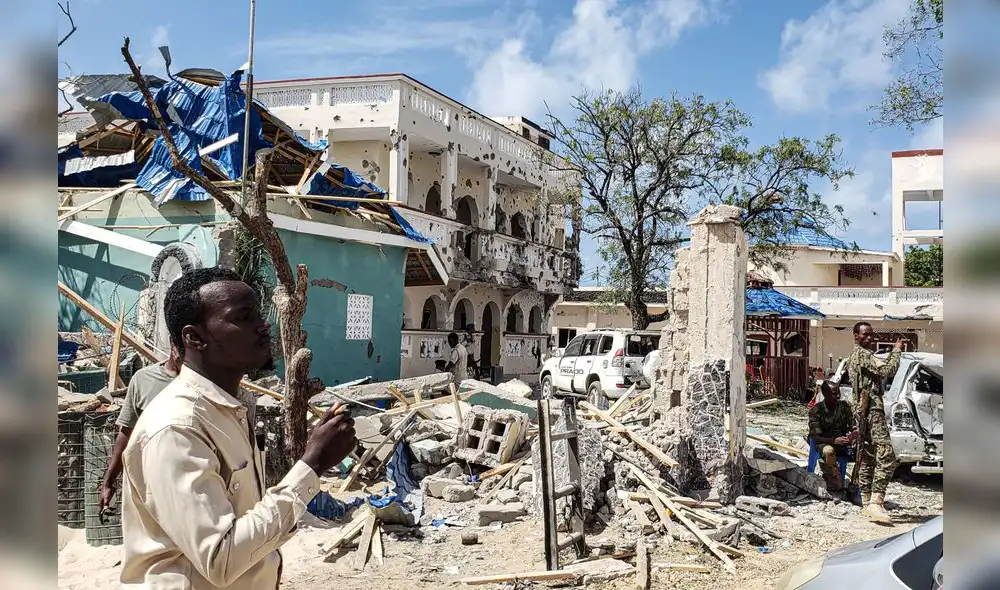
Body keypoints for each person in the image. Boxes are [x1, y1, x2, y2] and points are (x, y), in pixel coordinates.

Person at [120, 267, 357, 589]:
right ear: (194, 337)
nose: (263, 326)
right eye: (243, 317)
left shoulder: (232, 408)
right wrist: (312, 465)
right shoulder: (177, 427)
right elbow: (221, 558)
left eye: (259, 314)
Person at [98, 345, 182, 512]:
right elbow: (126, 434)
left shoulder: (206, 383)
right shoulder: (144, 380)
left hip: (192, 484)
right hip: (152, 486)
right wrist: (108, 482)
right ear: (174, 348)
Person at [848, 321, 904, 524]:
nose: (870, 338)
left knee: (869, 455)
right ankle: (876, 502)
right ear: (856, 336)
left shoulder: (856, 356)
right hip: (872, 409)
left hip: (863, 410)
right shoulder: (863, 355)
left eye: (871, 335)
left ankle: (866, 501)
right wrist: (896, 351)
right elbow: (887, 370)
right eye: (865, 335)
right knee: (887, 455)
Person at [808, 380, 858, 497]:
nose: (838, 396)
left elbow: (853, 426)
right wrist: (834, 440)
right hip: (824, 442)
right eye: (834, 394)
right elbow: (815, 437)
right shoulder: (816, 410)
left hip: (844, 442)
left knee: (863, 452)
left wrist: (853, 437)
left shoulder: (845, 407)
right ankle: (836, 479)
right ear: (826, 395)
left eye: (838, 393)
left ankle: (854, 486)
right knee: (828, 451)